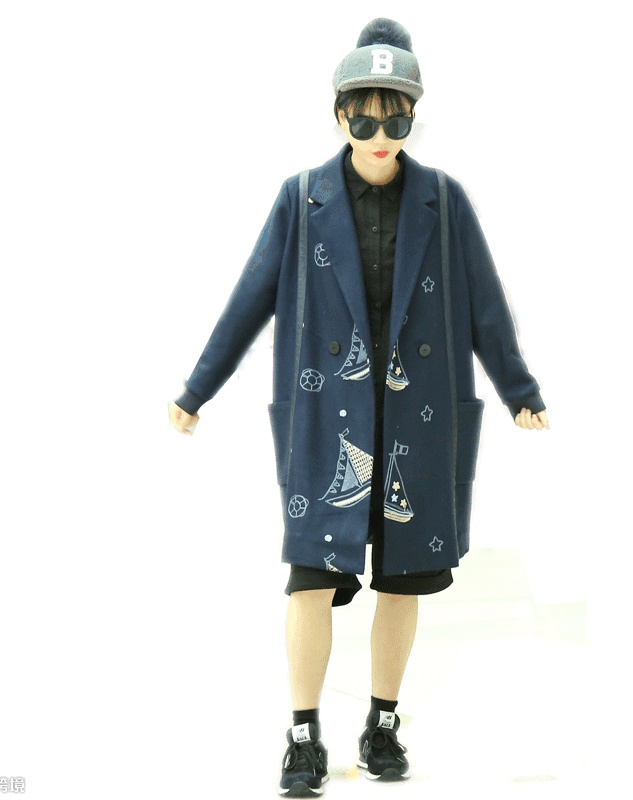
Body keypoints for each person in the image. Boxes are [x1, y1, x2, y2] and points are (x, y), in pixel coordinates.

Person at [168, 18, 549, 797]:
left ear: (414, 116)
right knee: (309, 579)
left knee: (401, 580)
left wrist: (520, 391)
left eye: (396, 119)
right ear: (339, 114)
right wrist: (196, 390)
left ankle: (382, 723)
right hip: (326, 421)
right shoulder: (300, 198)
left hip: (419, 422)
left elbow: (484, 302)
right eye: (365, 118)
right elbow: (249, 298)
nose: (381, 135)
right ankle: (303, 734)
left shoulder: (444, 200)